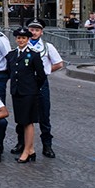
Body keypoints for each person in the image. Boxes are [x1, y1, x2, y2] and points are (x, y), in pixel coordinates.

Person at [16, 18, 64, 158]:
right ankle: (22, 143)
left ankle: (47, 145)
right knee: (23, 116)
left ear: (41, 32)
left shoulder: (47, 47)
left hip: (40, 84)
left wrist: (45, 72)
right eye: (32, 30)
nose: (34, 32)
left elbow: (59, 64)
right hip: (25, 83)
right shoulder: (22, 45)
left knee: (44, 115)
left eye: (37, 30)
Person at [7, 27, 47, 164]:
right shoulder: (12, 54)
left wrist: (33, 87)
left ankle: (27, 150)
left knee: (28, 122)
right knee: (21, 121)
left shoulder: (33, 55)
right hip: (17, 91)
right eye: (19, 38)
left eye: (24, 38)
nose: (21, 40)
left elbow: (41, 75)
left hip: (29, 92)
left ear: (28, 39)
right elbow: (10, 72)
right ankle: (31, 150)